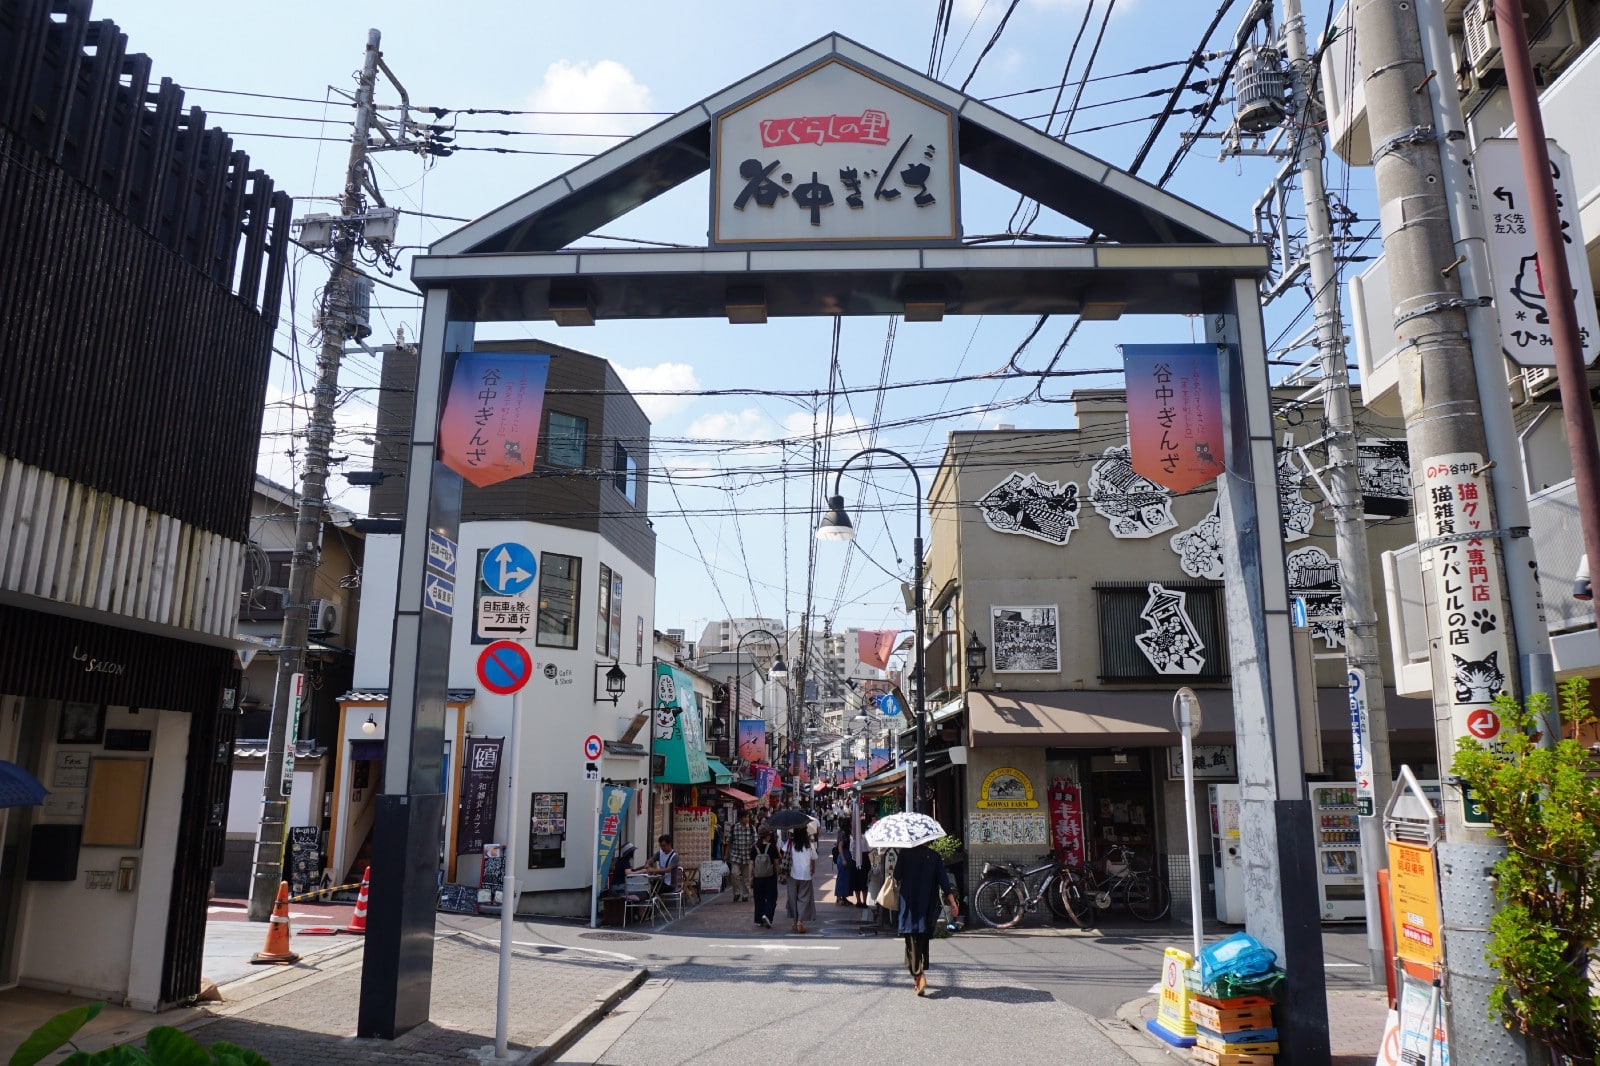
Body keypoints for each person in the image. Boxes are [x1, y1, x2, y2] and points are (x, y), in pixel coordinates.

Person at [894, 841, 959, 995]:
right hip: (927, 902)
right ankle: (918, 973)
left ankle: (918, 974)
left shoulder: (905, 854)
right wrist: (952, 901)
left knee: (911, 938)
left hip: (909, 902)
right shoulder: (934, 856)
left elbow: (897, 876)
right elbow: (944, 880)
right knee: (922, 937)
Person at [785, 826, 818, 933]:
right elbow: (813, 858)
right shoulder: (809, 844)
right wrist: (812, 867)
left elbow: (784, 853)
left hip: (792, 873)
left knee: (792, 897)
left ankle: (795, 921)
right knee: (804, 898)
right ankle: (800, 921)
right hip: (805, 874)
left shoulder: (790, 843)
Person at [750, 827, 780, 929]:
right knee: (772, 898)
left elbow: (751, 864)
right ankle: (767, 915)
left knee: (758, 898)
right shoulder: (772, 847)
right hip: (770, 877)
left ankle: (758, 920)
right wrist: (778, 873)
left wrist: (750, 877)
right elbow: (776, 863)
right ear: (767, 836)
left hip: (757, 877)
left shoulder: (754, 847)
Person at [726, 810, 755, 902]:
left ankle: (745, 894)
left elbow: (755, 842)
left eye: (748, 817)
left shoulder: (751, 828)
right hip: (736, 856)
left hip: (747, 856)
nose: (747, 819)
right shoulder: (734, 828)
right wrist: (725, 854)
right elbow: (729, 842)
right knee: (734, 874)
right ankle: (736, 893)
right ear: (741, 818)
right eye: (746, 817)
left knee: (746, 877)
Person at [831, 827, 854, 905]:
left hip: (846, 856)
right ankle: (838, 898)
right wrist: (843, 859)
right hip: (843, 857)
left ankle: (844, 897)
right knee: (841, 878)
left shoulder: (846, 833)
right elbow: (840, 846)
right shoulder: (843, 833)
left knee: (846, 879)